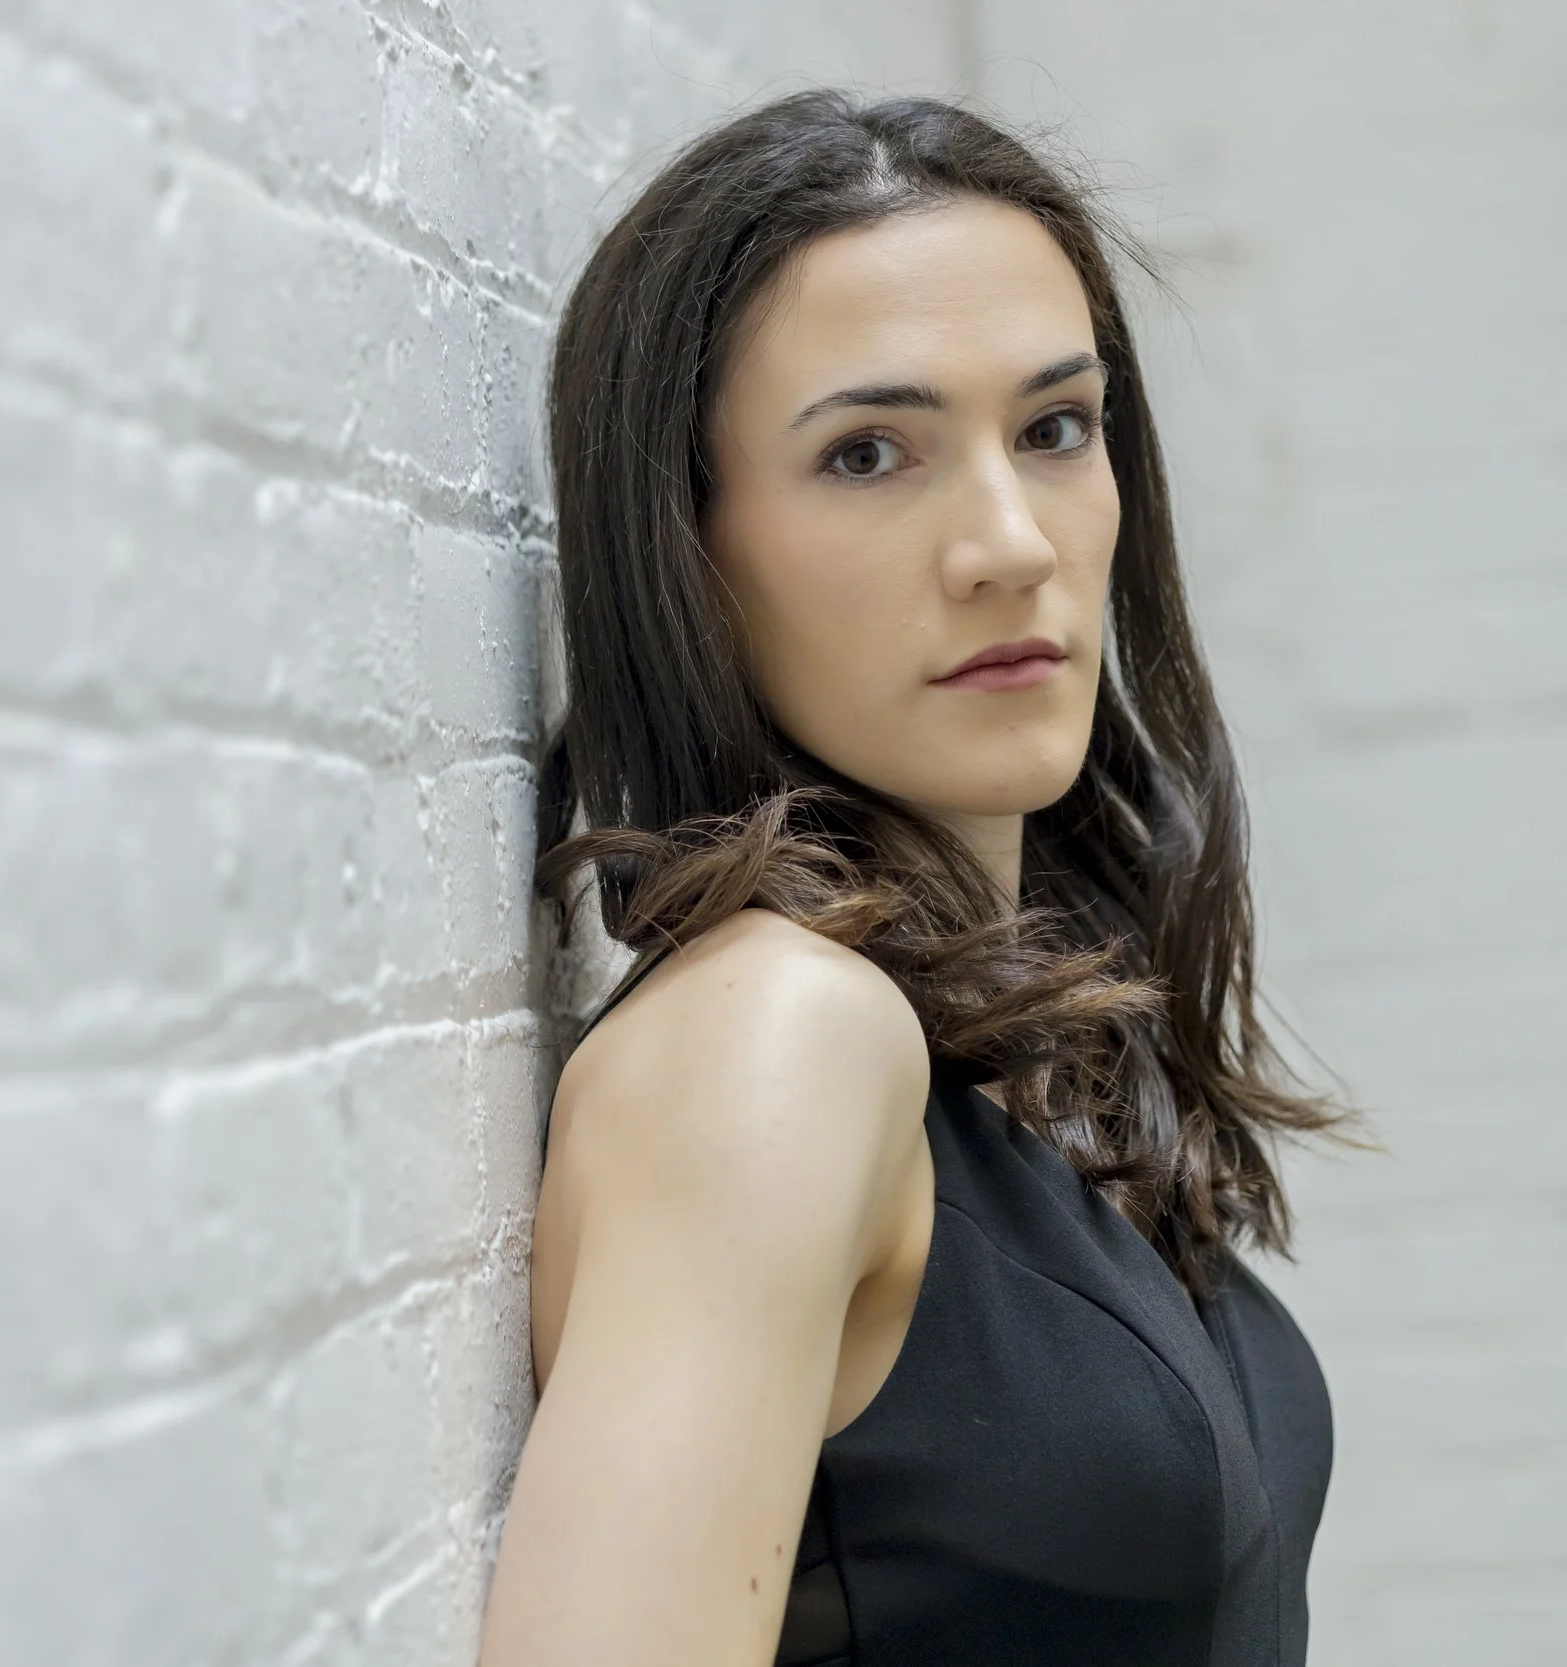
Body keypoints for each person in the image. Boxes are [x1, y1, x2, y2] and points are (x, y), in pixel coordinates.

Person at [476, 92, 1345, 1667]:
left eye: (1055, 428)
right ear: (690, 546)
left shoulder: (1027, 1059)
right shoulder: (778, 1039)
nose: (1009, 542)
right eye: (869, 454)